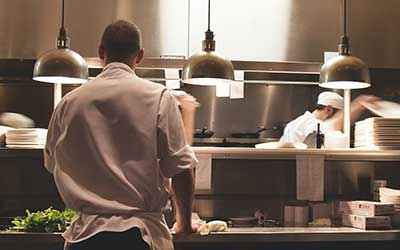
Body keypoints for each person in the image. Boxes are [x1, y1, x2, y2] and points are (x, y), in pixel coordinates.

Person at [44, 20, 198, 250]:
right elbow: (182, 169)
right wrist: (183, 223)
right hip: (139, 237)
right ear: (140, 55)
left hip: (85, 239)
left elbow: (51, 164)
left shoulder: (69, 103)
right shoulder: (158, 97)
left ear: (101, 52)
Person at [280, 91, 378, 146]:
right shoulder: (312, 124)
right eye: (339, 113)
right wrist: (358, 104)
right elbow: (332, 126)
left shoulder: (294, 123)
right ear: (328, 110)